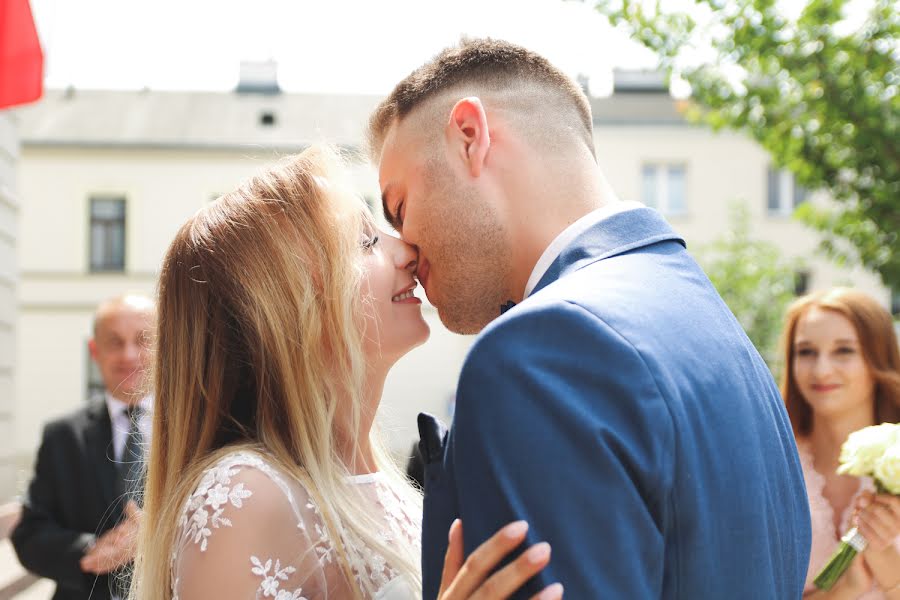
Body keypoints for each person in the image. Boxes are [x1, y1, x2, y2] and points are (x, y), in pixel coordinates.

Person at [367, 38, 811, 599]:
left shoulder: (538, 351)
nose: (404, 246)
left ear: (469, 136)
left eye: (399, 207)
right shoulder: (721, 331)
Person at [129, 147, 562, 600]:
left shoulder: (387, 485)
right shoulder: (246, 493)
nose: (407, 250)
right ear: (285, 306)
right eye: (365, 240)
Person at [12, 294, 155, 600]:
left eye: (142, 340)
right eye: (115, 342)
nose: (128, 355)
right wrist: (92, 548)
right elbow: (29, 535)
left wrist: (153, 537)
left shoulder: (197, 430)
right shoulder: (62, 435)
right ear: (95, 350)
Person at [780, 288, 900, 598]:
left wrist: (887, 565)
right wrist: (846, 588)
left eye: (843, 351)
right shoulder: (774, 467)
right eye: (806, 352)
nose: (821, 369)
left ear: (878, 358)